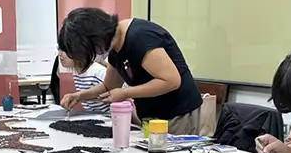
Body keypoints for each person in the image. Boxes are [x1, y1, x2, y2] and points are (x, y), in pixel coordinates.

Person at [58, 8, 202, 134]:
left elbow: (170, 81)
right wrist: (79, 96)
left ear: (95, 39)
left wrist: (126, 93)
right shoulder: (114, 47)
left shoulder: (139, 37)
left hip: (177, 115)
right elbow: (109, 86)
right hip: (151, 117)